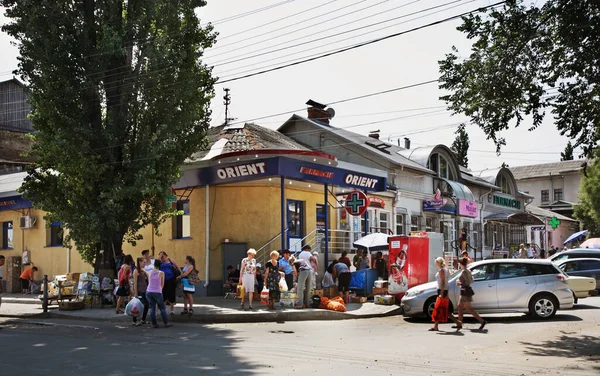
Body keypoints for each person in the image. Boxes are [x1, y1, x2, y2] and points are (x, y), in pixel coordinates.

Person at [429, 257, 461, 332]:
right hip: (445, 290)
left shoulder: (441, 270)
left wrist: (441, 293)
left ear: (439, 263)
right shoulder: (446, 270)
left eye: (437, 262)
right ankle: (457, 322)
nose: (436, 264)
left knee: (439, 309)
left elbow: (443, 282)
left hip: (442, 290)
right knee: (443, 309)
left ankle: (436, 326)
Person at [456, 257, 487, 331]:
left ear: (461, 264)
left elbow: (467, 282)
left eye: (459, 264)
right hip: (465, 291)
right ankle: (459, 323)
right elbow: (472, 280)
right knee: (460, 307)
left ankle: (481, 321)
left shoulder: (464, 271)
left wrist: (460, 283)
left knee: (468, 308)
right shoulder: (468, 271)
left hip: (465, 291)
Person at [145, 259, 172, 328]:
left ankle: (154, 324)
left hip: (149, 291)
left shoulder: (150, 272)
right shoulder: (161, 273)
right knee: (162, 308)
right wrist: (160, 290)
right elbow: (162, 284)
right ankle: (166, 323)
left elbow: (149, 282)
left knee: (152, 308)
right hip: (157, 292)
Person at [132, 258, 149, 325]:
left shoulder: (143, 271)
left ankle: (143, 319)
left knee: (147, 304)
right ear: (140, 262)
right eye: (144, 262)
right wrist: (135, 292)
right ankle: (135, 320)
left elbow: (148, 278)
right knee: (138, 306)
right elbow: (135, 282)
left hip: (145, 290)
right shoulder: (136, 271)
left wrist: (145, 272)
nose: (145, 264)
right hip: (139, 291)